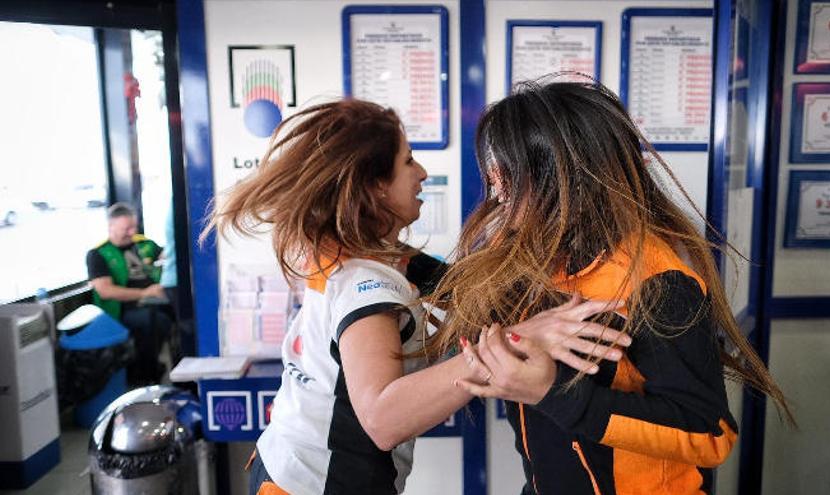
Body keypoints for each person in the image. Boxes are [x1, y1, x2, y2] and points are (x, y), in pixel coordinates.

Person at [205, 98, 630, 495]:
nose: (421, 172)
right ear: (373, 188)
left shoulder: (350, 253)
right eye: (407, 161)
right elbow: (382, 419)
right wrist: (518, 340)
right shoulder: (364, 285)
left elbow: (449, 287)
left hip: (283, 468)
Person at [425, 79, 796, 494]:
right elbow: (467, 290)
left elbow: (709, 434)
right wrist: (389, 255)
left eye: (508, 169)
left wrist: (551, 393)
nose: (495, 184)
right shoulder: (539, 256)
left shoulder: (656, 282)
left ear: (565, 177)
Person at [87, 202, 172, 385]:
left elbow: (168, 255)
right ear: (111, 226)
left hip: (157, 301)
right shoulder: (98, 254)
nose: (132, 232)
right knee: (154, 320)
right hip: (122, 311)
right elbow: (105, 290)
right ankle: (145, 376)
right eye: (126, 228)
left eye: (134, 226)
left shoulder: (145, 244)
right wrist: (143, 293)